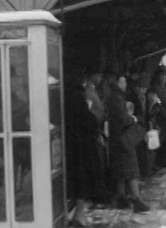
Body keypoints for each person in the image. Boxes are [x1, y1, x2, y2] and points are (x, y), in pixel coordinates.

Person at [64, 72, 105, 227]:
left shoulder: (65, 95)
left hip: (69, 143)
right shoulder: (80, 96)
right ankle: (79, 215)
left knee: (73, 181)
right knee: (83, 181)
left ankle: (72, 213)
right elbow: (89, 119)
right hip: (82, 145)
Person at [107, 72, 150, 213]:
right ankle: (136, 199)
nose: (124, 85)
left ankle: (121, 197)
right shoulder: (117, 98)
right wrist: (134, 119)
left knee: (121, 170)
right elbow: (122, 118)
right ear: (117, 83)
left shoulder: (114, 96)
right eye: (122, 82)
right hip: (123, 138)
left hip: (116, 139)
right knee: (132, 170)